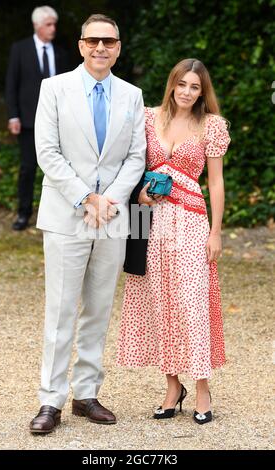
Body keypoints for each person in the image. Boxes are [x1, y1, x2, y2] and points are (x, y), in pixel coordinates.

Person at [30, 14, 146, 433]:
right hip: (67, 214)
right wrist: (86, 197)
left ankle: (86, 394)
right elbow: (47, 151)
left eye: (109, 42)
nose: (101, 48)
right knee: (60, 311)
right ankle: (50, 401)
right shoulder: (54, 88)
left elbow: (136, 156)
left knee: (99, 310)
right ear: (80, 45)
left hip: (113, 218)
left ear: (118, 46)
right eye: (93, 41)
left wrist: (111, 200)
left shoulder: (132, 95)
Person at [117, 58, 231, 425]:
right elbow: (130, 164)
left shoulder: (211, 125)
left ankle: (202, 388)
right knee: (156, 302)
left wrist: (216, 231)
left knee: (191, 303)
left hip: (191, 221)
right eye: (181, 84)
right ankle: (171, 386)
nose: (186, 92)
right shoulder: (149, 117)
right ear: (172, 84)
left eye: (194, 87)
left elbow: (215, 182)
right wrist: (139, 195)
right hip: (147, 221)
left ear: (202, 92)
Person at [5, 5, 70, 231]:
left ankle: (58, 215)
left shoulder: (61, 53)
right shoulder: (19, 49)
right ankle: (24, 213)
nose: (53, 29)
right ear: (37, 25)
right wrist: (13, 115)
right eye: (48, 24)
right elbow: (11, 85)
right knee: (28, 167)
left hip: (60, 121)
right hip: (29, 121)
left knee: (60, 168)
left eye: (54, 24)